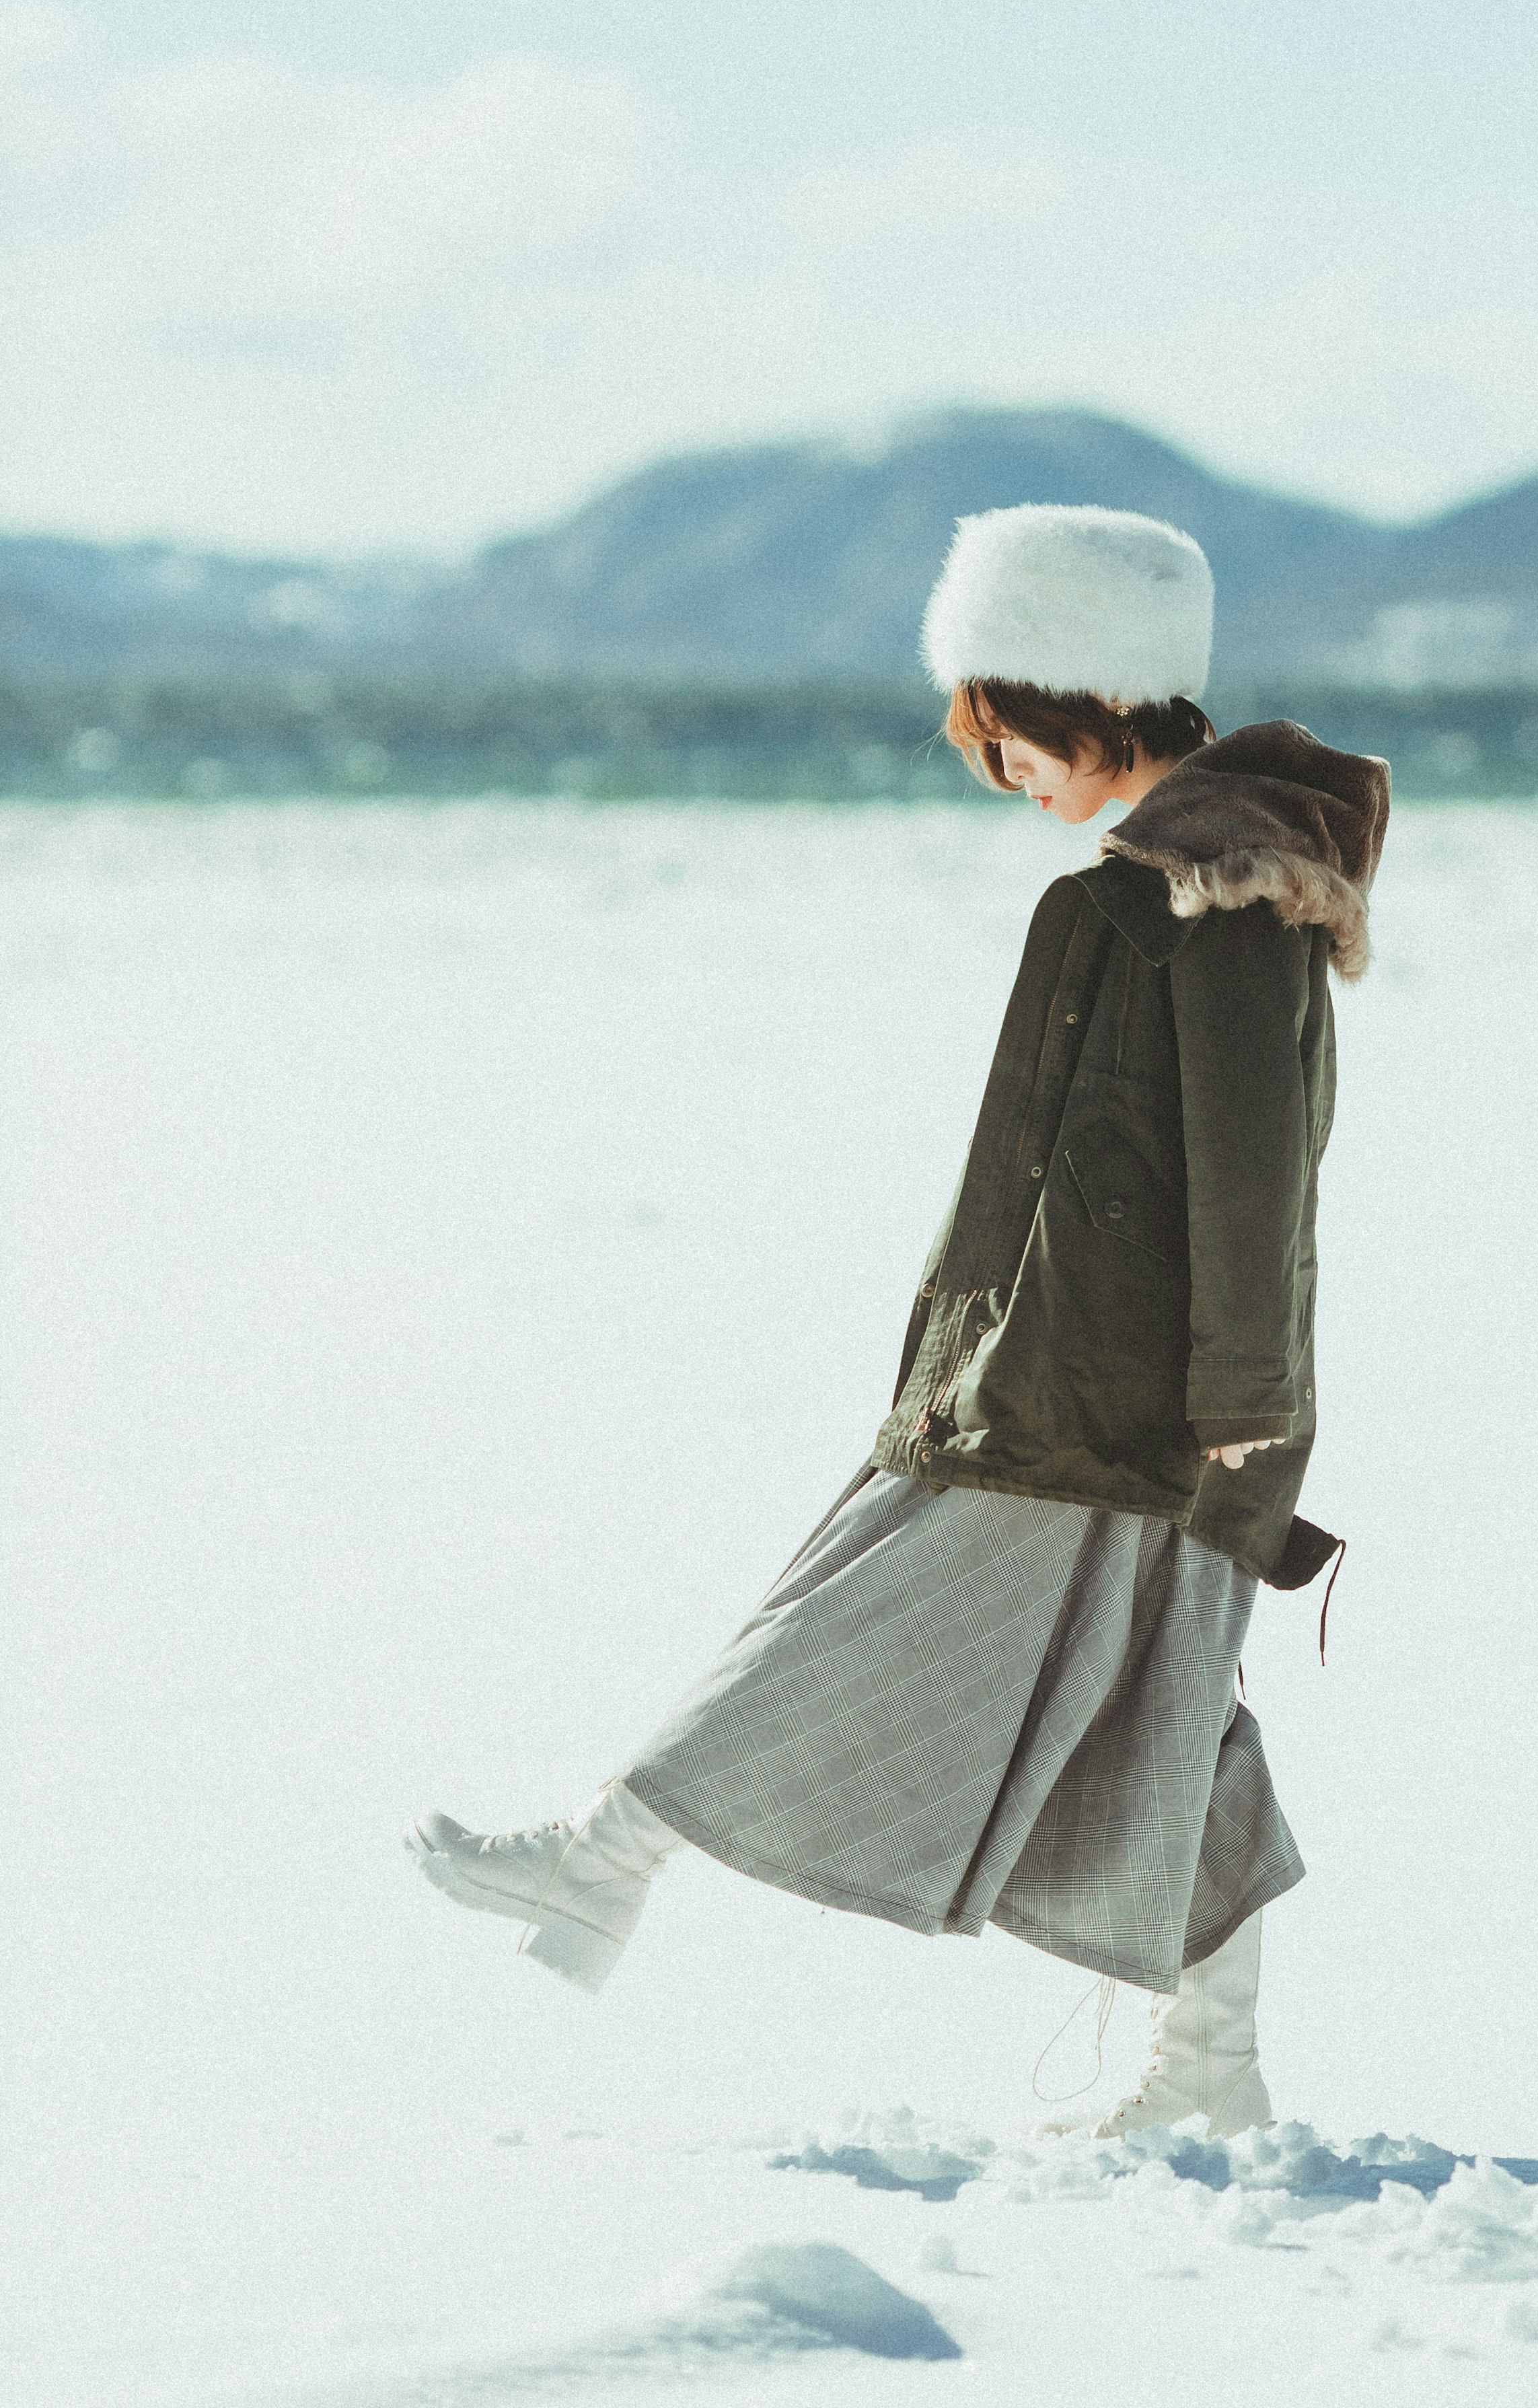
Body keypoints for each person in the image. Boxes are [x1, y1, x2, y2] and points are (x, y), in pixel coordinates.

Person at [406, 503, 1387, 2139]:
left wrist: (1243, 1393)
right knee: (1173, 1707)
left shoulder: (1217, 889)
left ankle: (605, 1858)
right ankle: (1212, 2074)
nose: (989, 766)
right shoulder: (1150, 877)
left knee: (856, 1619)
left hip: (1115, 1391)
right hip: (1054, 1362)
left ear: (1087, 695)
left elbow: (1257, 1168)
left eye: (1000, 732)